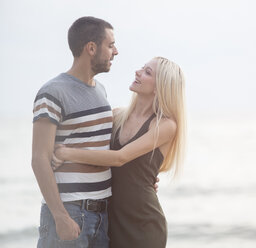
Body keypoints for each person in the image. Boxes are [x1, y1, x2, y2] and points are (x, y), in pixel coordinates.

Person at [52, 56, 186, 248]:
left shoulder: (165, 125)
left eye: (147, 72)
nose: (138, 72)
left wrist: (67, 153)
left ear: (160, 87)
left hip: (144, 224)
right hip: (109, 219)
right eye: (142, 67)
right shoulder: (116, 116)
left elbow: (119, 158)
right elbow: (94, 151)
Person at [32, 16, 118, 248]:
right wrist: (60, 216)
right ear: (91, 48)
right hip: (71, 212)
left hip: (102, 214)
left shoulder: (101, 90)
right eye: (110, 45)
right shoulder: (53, 92)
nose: (116, 52)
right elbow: (39, 158)